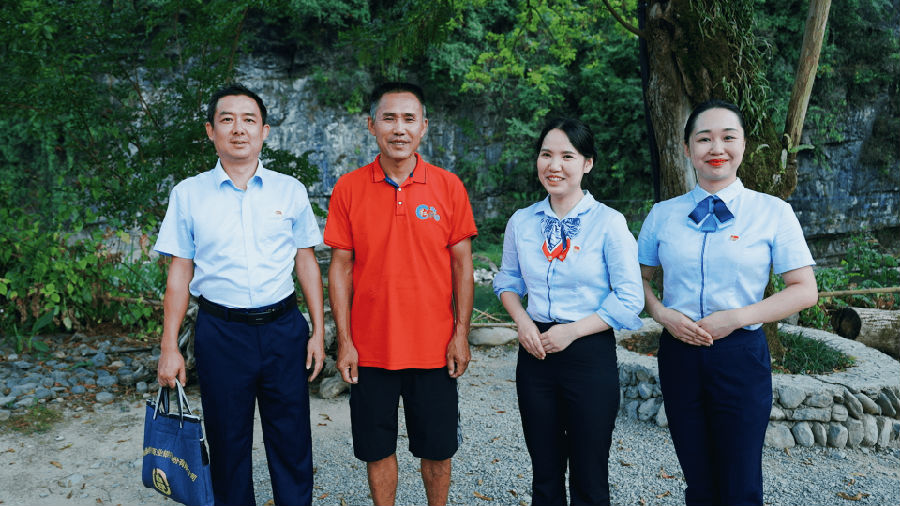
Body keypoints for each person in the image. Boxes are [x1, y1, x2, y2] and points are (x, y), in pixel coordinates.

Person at [637, 99, 818, 506]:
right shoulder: (662, 215)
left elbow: (805, 289)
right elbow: (638, 279)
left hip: (740, 355)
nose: (716, 148)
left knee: (740, 484)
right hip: (679, 354)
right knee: (698, 481)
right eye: (704, 139)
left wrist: (736, 318)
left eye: (728, 137)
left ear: (743, 145)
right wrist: (662, 313)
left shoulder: (773, 212)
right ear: (687, 149)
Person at [155, 83, 325, 506]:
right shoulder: (188, 194)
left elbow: (306, 262)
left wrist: (318, 332)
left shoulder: (290, 190)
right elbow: (179, 271)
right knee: (227, 443)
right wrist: (169, 347)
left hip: (283, 329)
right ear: (210, 131)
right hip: (221, 332)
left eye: (249, 120)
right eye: (227, 119)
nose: (238, 129)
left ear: (264, 131)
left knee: (292, 439)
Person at [323, 82, 477, 506]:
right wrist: (345, 341)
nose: (399, 128)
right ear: (371, 125)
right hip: (371, 350)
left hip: (434, 350)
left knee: (438, 450)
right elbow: (340, 267)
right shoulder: (349, 188)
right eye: (388, 118)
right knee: (376, 450)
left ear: (423, 126)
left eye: (409, 118)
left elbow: (463, 267)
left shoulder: (448, 186)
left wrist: (461, 334)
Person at [493, 117, 645, 506]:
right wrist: (523, 322)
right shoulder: (521, 222)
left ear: (587, 163)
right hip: (535, 352)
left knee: (589, 473)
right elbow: (508, 281)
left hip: (588, 352)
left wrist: (572, 331)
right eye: (546, 155)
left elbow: (630, 297)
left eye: (567, 156)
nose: (554, 165)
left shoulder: (609, 223)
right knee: (544, 473)